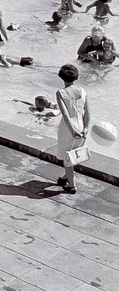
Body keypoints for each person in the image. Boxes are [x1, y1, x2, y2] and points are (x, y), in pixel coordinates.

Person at [55, 63, 90, 194]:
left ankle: (72, 185)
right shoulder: (82, 91)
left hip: (67, 128)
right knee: (74, 154)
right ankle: (66, 176)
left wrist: (71, 130)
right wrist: (85, 128)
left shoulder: (61, 93)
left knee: (67, 156)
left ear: (62, 78)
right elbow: (87, 112)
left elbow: (65, 115)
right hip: (81, 125)